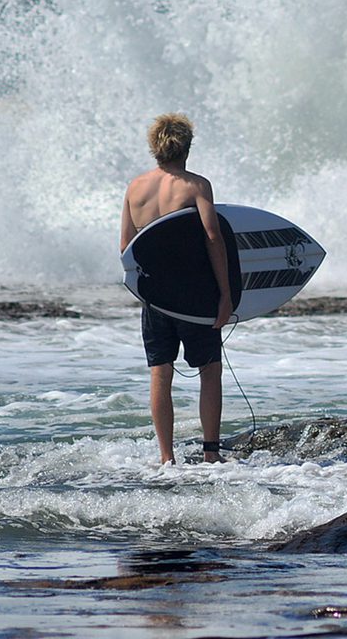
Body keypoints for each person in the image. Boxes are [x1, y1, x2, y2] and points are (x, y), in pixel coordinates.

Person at [120, 113, 233, 465]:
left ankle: (166, 457)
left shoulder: (135, 188)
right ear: (187, 146)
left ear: (155, 147)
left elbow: (127, 247)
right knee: (210, 369)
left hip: (155, 297)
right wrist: (226, 295)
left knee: (160, 371)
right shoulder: (197, 186)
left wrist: (145, 293)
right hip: (196, 296)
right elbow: (213, 237)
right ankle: (211, 454)